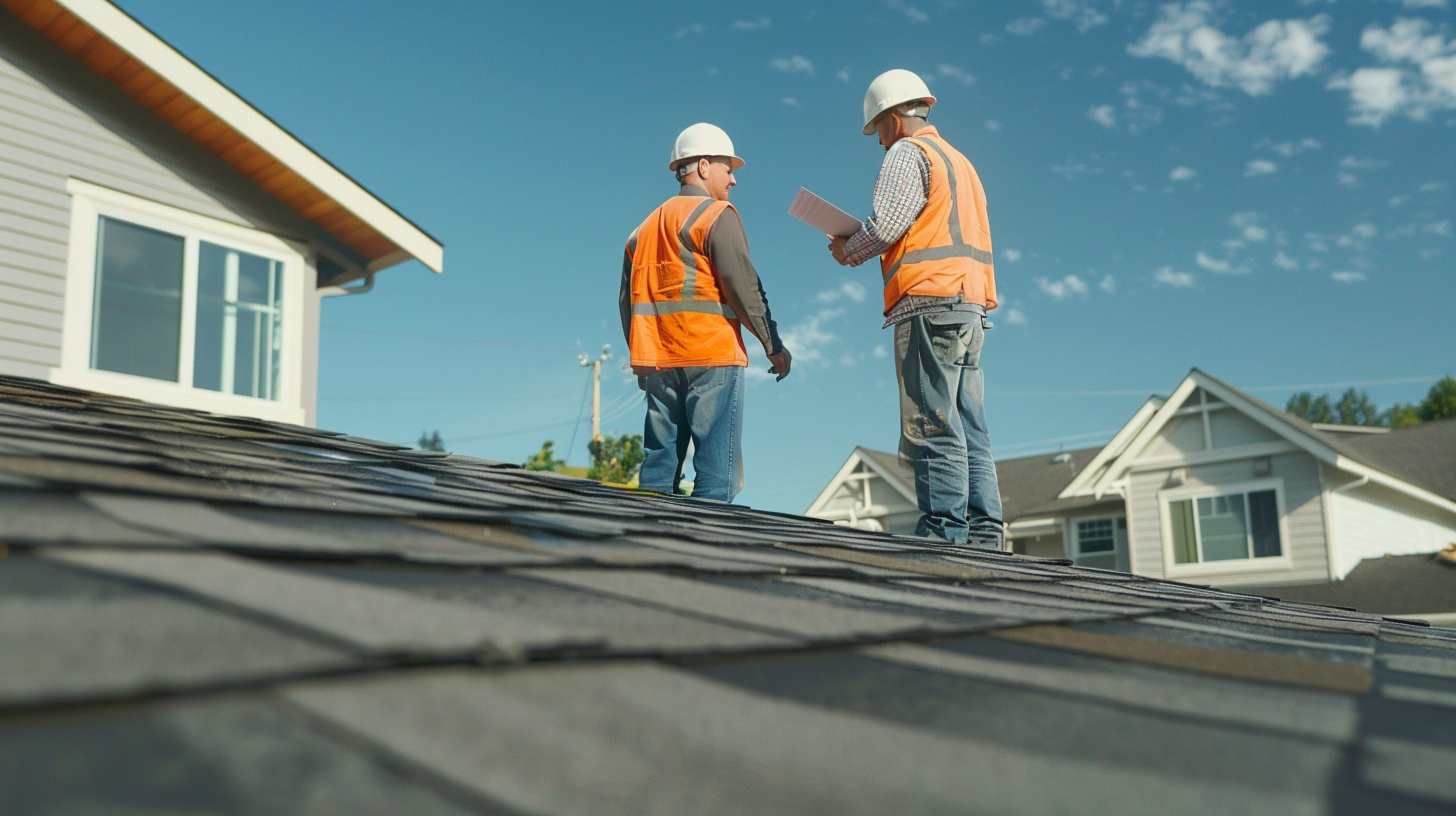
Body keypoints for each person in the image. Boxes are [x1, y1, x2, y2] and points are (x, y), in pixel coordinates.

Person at [826, 69, 1004, 547]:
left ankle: (945, 529)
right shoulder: (960, 161)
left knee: (932, 420)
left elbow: (887, 224)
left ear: (893, 119)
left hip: (928, 301)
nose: (879, 142)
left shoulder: (909, 152)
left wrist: (848, 250)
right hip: (970, 303)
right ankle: (986, 533)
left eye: (878, 130)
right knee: (969, 424)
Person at [620, 123, 791, 502]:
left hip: (659, 363)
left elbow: (626, 302)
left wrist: (642, 359)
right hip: (711, 357)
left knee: (658, 472)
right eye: (727, 169)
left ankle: (645, 546)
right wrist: (773, 344)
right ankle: (706, 556)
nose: (733, 180)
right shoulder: (714, 215)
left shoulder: (640, 231)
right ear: (701, 166)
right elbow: (742, 285)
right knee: (716, 479)